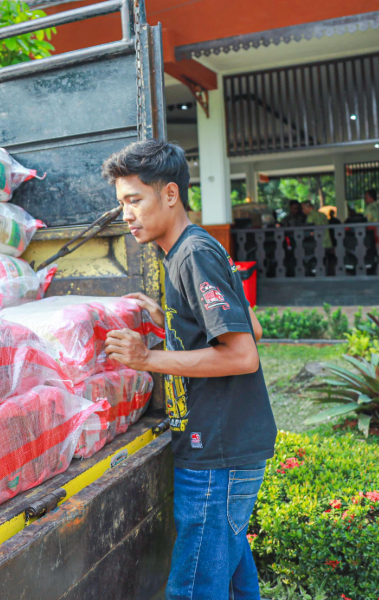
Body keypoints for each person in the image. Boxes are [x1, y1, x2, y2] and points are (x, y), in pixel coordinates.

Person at [100, 140, 276, 600]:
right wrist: (171, 318)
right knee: (234, 583)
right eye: (121, 203)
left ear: (170, 194)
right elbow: (250, 324)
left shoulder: (192, 253)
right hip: (225, 446)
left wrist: (146, 359)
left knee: (194, 587)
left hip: (219, 451)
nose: (126, 214)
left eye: (135, 200)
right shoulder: (187, 250)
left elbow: (242, 354)